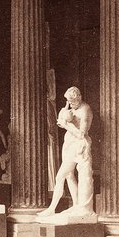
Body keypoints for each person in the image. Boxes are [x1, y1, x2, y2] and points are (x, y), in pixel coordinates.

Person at [40, 86, 94, 218]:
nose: (70, 104)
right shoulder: (71, 108)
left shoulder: (85, 109)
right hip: (69, 144)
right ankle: (76, 205)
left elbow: (82, 134)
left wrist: (66, 125)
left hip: (79, 146)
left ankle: (52, 208)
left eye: (72, 102)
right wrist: (64, 115)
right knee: (69, 175)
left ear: (79, 98)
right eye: (68, 102)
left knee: (60, 176)